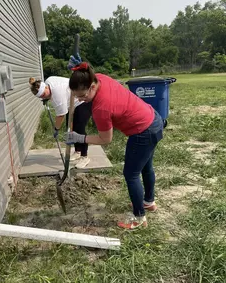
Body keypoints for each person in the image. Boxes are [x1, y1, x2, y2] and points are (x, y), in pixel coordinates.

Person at [65, 56, 163, 230]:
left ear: (92, 86)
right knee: (146, 167)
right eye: (76, 96)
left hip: (143, 131)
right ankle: (148, 202)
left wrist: (79, 138)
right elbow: (89, 72)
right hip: (153, 119)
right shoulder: (100, 77)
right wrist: (79, 70)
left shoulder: (101, 108)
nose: (80, 100)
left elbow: (106, 139)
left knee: (131, 174)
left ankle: (139, 217)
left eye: (82, 95)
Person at [29, 76, 92, 169]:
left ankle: (84, 156)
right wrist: (47, 97)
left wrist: (56, 129)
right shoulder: (48, 82)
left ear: (46, 87)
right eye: (42, 97)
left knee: (79, 128)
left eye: (44, 94)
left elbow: (61, 115)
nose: (44, 97)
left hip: (83, 100)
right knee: (70, 128)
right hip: (71, 102)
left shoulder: (57, 94)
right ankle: (78, 151)